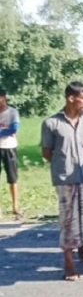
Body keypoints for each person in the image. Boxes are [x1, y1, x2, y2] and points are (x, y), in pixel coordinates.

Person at [41, 81, 83, 281]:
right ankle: (69, 263)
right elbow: (47, 153)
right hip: (66, 180)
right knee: (68, 222)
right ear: (71, 98)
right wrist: (65, 165)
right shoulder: (52, 123)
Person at [0, 90, 22, 220]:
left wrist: (4, 132)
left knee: (12, 178)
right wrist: (5, 131)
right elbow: (9, 130)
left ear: (4, 98)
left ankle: (15, 207)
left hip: (9, 147)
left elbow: (14, 129)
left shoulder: (12, 112)